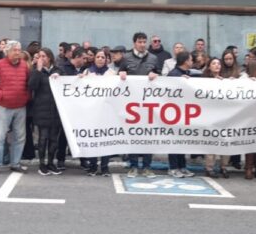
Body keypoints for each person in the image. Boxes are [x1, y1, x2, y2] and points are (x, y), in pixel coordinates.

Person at [0, 40, 31, 175]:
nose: (18, 52)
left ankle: (15, 163)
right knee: (0, 136)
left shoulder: (24, 66)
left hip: (20, 106)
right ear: (8, 51)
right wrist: (0, 95)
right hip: (4, 106)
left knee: (20, 136)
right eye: (15, 50)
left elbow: (29, 83)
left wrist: (26, 96)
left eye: (19, 50)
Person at [120, 32, 159, 179]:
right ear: (134, 43)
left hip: (149, 105)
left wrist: (156, 75)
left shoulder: (153, 58)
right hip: (132, 105)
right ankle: (134, 166)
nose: (142, 44)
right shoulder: (126, 58)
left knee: (148, 136)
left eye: (144, 42)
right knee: (133, 136)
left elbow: (161, 78)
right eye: (140, 42)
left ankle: (147, 167)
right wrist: (121, 75)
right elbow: (120, 75)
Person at [30, 48, 63, 176]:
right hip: (41, 109)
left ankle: (51, 162)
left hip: (55, 110)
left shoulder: (58, 70)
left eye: (43, 56)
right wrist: (38, 70)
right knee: (43, 138)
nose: (41, 59)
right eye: (39, 56)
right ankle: (42, 164)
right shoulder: (36, 71)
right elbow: (32, 86)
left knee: (54, 139)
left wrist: (59, 76)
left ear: (49, 57)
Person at [81, 50, 114, 176]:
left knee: (106, 139)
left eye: (103, 57)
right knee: (93, 139)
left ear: (106, 59)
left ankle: (105, 167)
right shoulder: (87, 72)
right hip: (92, 112)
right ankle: (93, 166)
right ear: (94, 59)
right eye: (98, 57)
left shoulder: (111, 73)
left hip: (106, 111)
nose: (100, 59)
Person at [166, 51, 196, 178]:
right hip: (173, 113)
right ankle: (173, 167)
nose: (192, 61)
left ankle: (182, 166)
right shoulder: (174, 74)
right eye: (190, 59)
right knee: (173, 141)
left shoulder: (186, 73)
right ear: (185, 61)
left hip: (184, 113)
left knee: (182, 141)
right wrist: (179, 82)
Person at [202, 57, 230, 178]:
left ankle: (224, 166)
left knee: (225, 142)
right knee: (211, 143)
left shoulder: (226, 80)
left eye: (219, 63)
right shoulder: (202, 81)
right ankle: (209, 167)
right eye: (214, 63)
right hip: (209, 116)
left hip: (224, 116)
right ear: (209, 67)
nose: (217, 65)